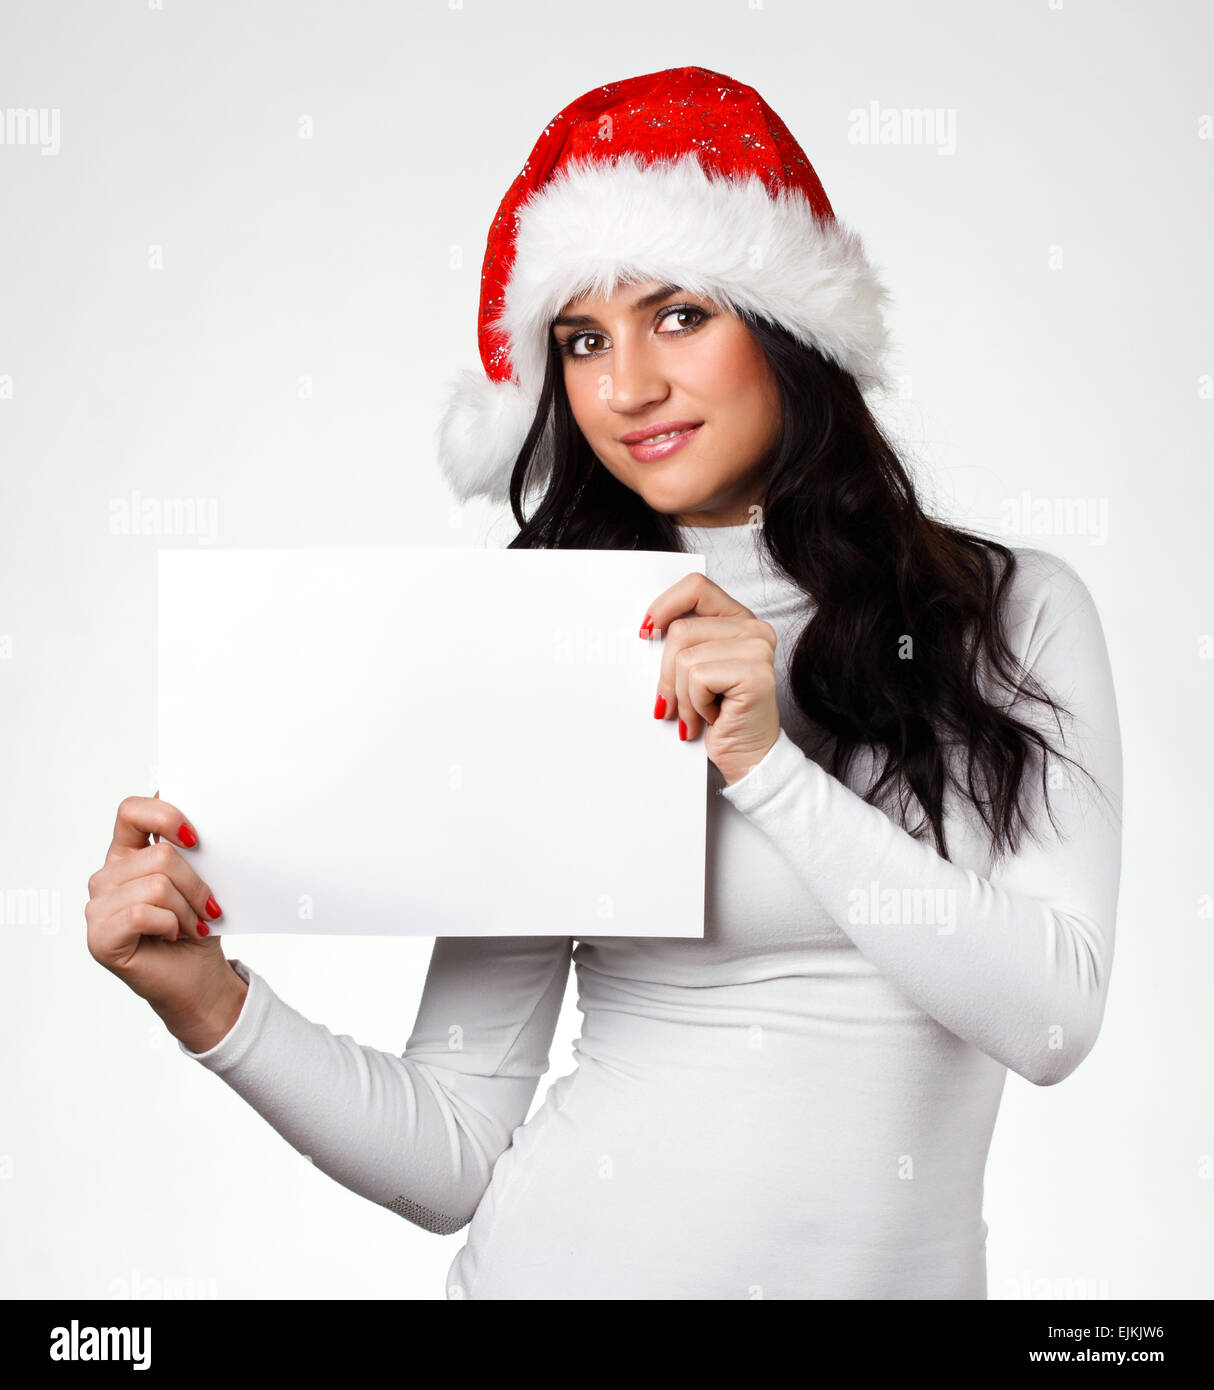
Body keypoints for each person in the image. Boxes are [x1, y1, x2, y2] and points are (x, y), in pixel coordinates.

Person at [86, 66, 1123, 1299]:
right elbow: (457, 1151)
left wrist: (766, 768)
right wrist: (209, 1002)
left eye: (678, 314)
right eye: (581, 340)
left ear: (788, 324)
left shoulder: (1001, 615)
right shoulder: (558, 637)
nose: (625, 388)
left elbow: (1050, 1022)